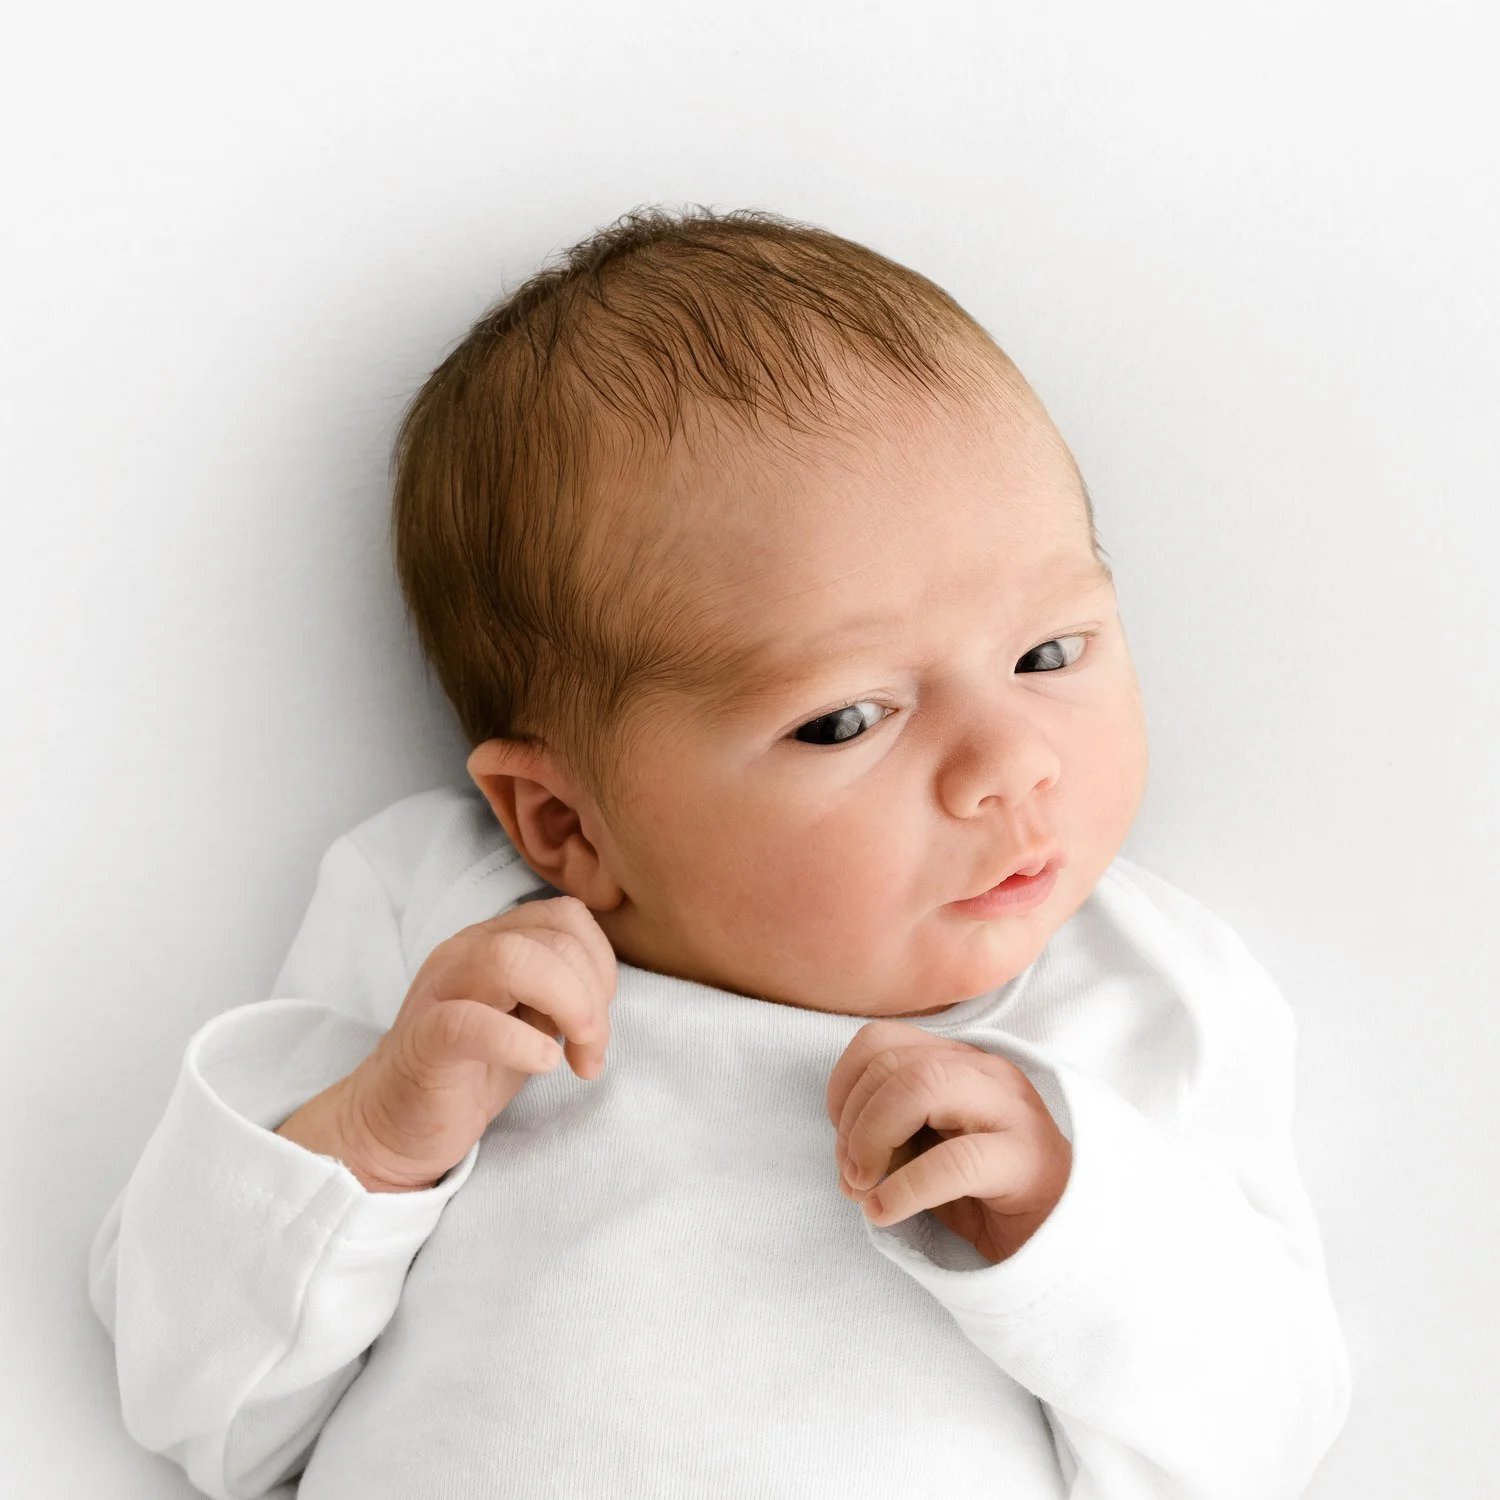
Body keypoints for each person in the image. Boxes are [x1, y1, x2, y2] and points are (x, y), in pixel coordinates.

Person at [87, 205, 1351, 1499]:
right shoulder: (453, 941)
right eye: (847, 720)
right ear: (566, 825)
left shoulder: (1139, 997)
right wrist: (374, 1133)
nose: (1010, 765)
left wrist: (1063, 1218)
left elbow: (1263, 1435)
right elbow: (201, 1402)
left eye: (1049, 653)